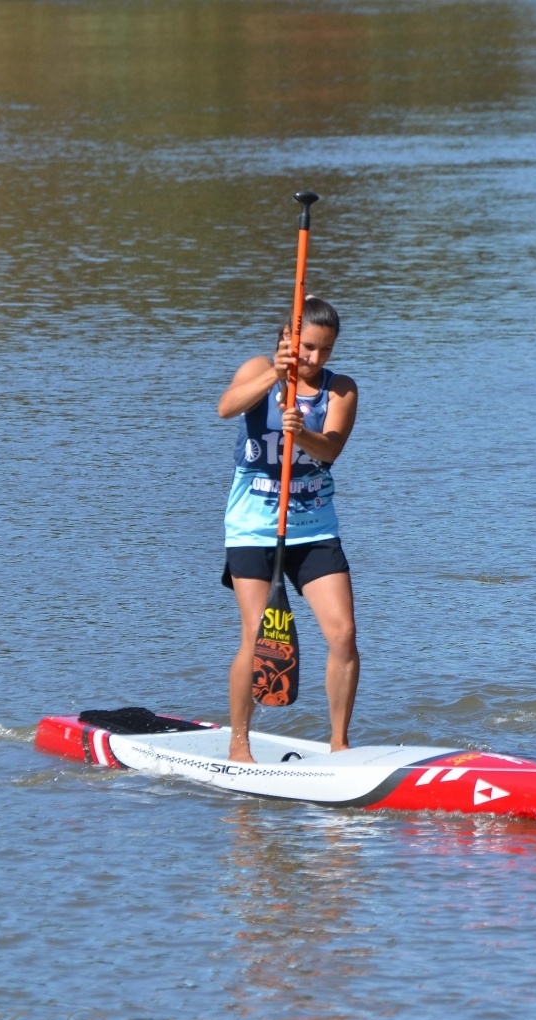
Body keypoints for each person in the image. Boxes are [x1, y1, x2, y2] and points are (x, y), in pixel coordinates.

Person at [217, 297, 359, 763]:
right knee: (258, 634)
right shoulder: (259, 367)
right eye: (306, 348)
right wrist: (275, 376)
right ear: (286, 340)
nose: (314, 359)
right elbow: (226, 407)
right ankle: (240, 743)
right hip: (253, 527)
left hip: (313, 527)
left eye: (323, 350)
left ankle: (339, 745)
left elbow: (330, 450)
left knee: (342, 635)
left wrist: (304, 432)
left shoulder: (341, 391)